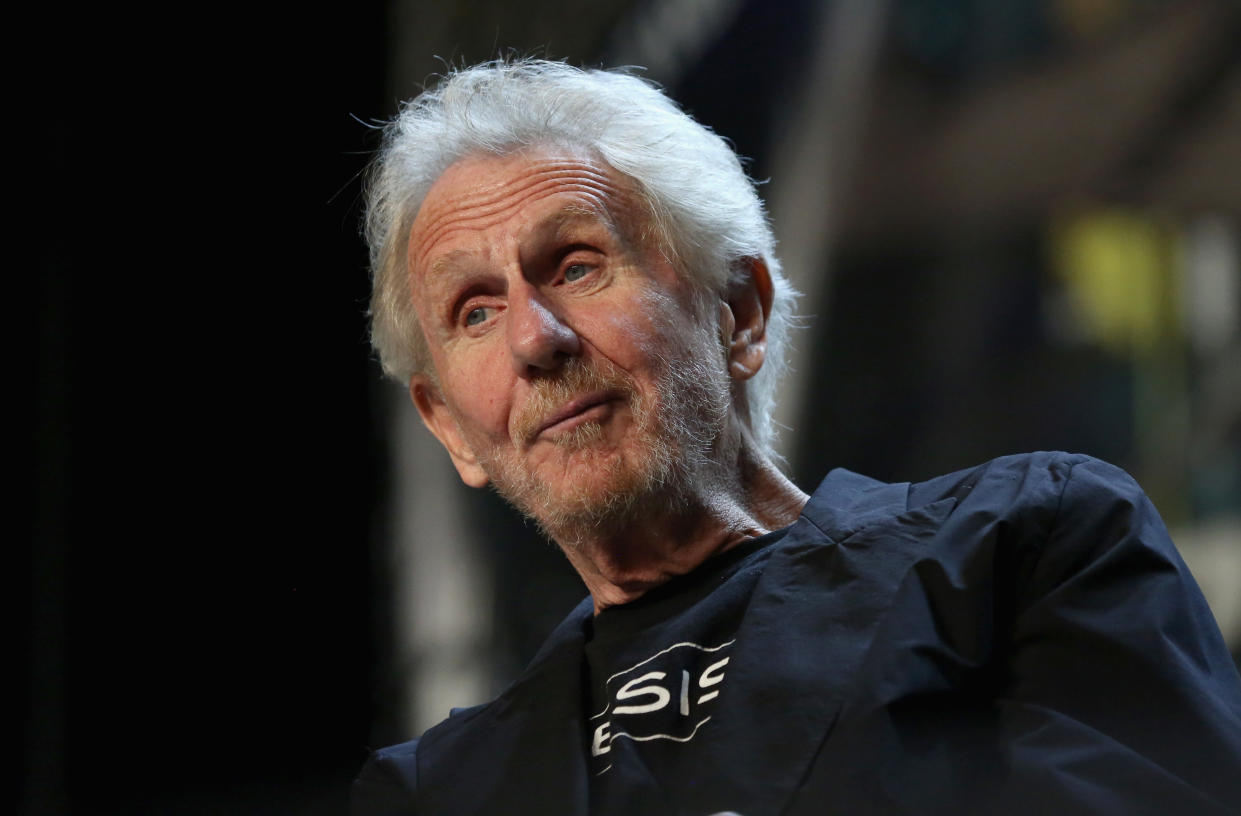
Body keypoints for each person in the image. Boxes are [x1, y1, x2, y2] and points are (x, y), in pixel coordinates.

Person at [351, 59, 1241, 815]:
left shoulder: (1026, 552)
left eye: (577, 265)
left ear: (738, 312)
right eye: (474, 310)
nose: (533, 339)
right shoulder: (435, 792)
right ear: (448, 427)